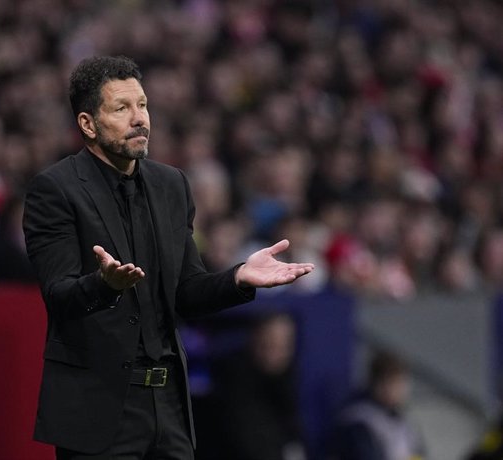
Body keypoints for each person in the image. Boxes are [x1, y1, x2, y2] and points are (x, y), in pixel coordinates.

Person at [23, 55, 315, 460]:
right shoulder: (54, 190)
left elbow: (186, 293)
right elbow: (58, 295)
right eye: (121, 108)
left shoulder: (172, 185)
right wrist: (104, 285)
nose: (139, 118)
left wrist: (238, 278)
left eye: (142, 105)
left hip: (169, 407)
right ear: (88, 124)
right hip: (98, 409)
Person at [213, 313, 307, 460]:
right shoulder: (236, 385)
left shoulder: (293, 387)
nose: (277, 352)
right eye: (269, 344)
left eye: (284, 346)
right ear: (254, 340)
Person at [328, 350, 425, 460]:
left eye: (401, 383)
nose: (398, 389)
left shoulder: (401, 420)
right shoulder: (359, 422)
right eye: (392, 383)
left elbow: (418, 454)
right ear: (377, 384)